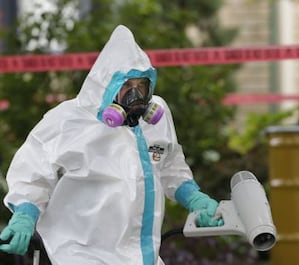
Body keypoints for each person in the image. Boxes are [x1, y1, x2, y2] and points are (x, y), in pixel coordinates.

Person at [0, 25, 223, 265]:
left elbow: (169, 166)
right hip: (77, 254)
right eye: (127, 87)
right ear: (105, 86)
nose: (136, 96)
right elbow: (32, 172)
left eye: (142, 87)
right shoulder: (67, 121)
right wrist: (24, 215)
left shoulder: (157, 118)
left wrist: (195, 199)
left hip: (140, 255)